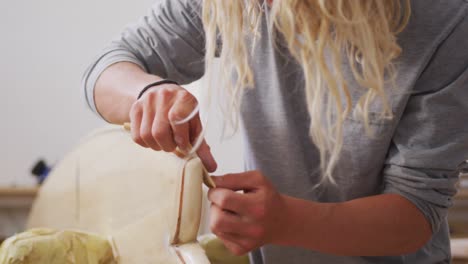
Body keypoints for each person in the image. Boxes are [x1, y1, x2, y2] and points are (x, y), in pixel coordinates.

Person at [82, 0, 468, 263]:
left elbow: (415, 211)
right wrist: (147, 94)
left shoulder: (447, 17)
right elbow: (105, 70)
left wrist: (288, 222)